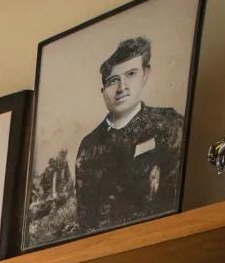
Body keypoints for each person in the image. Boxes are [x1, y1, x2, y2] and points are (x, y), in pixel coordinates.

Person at [75, 37, 184, 235]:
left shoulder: (168, 123)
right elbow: (85, 220)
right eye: (113, 81)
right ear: (103, 91)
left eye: (130, 74)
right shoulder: (89, 146)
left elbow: (174, 199)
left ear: (145, 74)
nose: (121, 87)